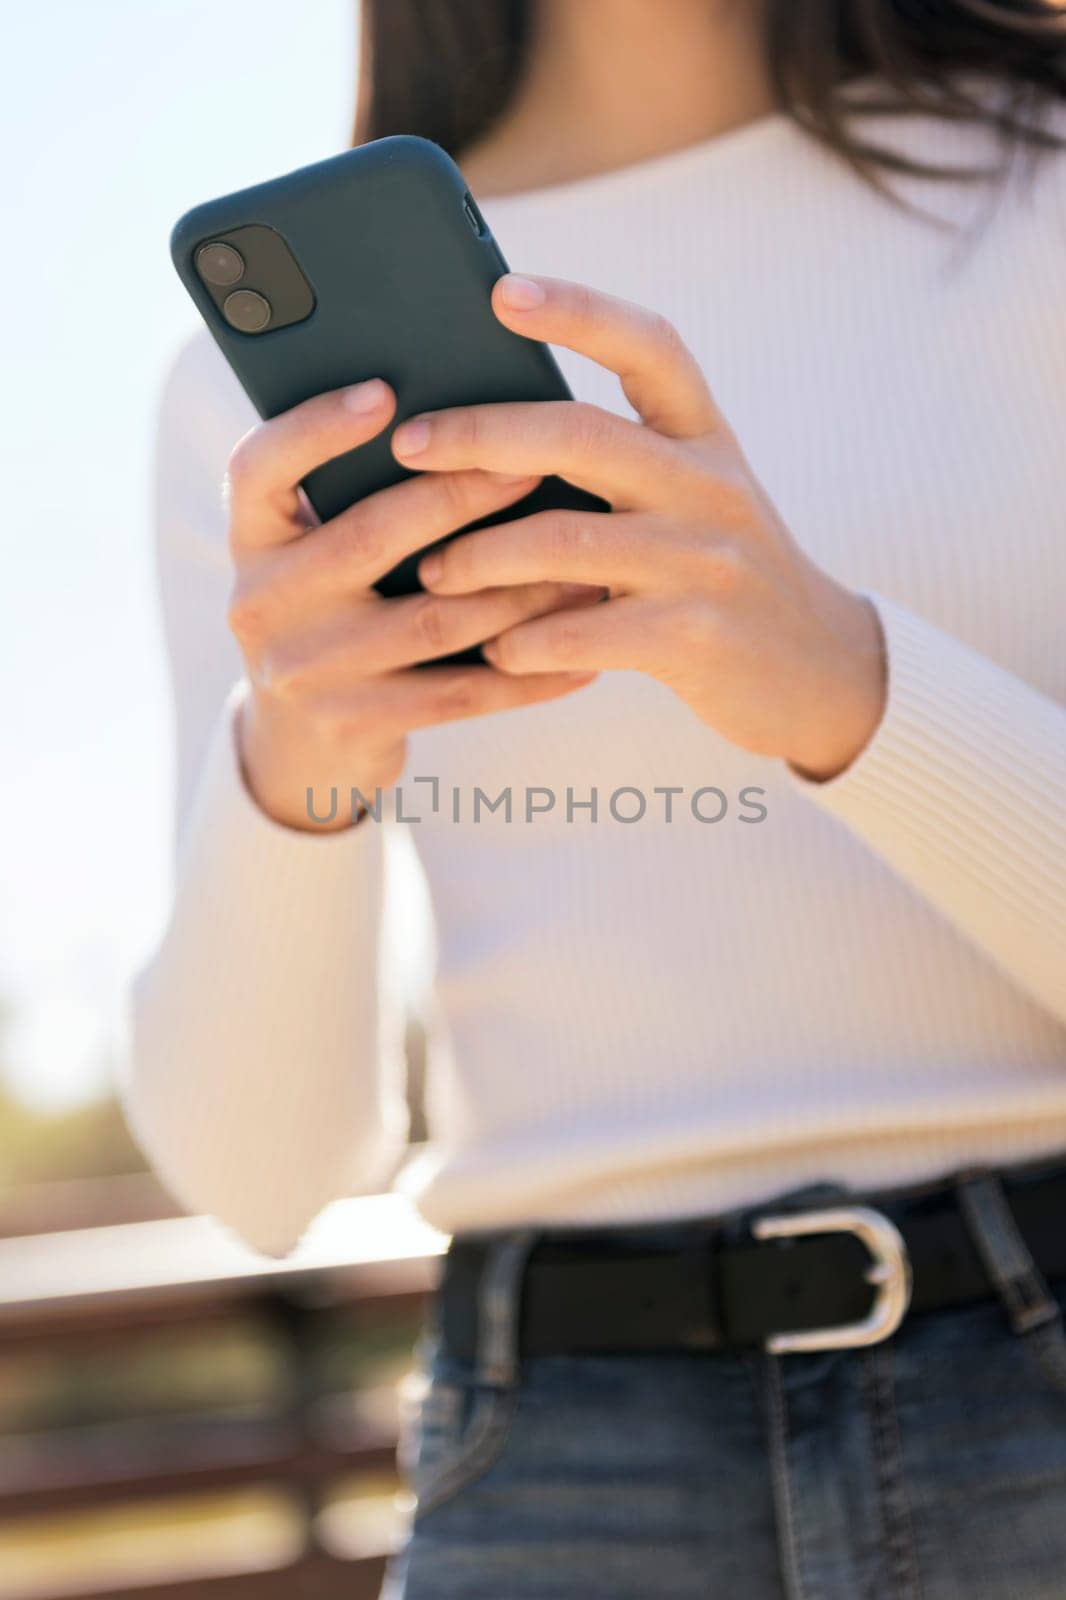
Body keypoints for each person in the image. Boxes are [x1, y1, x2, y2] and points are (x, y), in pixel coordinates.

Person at [126, 2, 1066, 1595]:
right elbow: (261, 1175)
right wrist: (293, 766)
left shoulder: (1035, 194)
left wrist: (843, 683)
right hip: (558, 1458)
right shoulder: (248, 389)